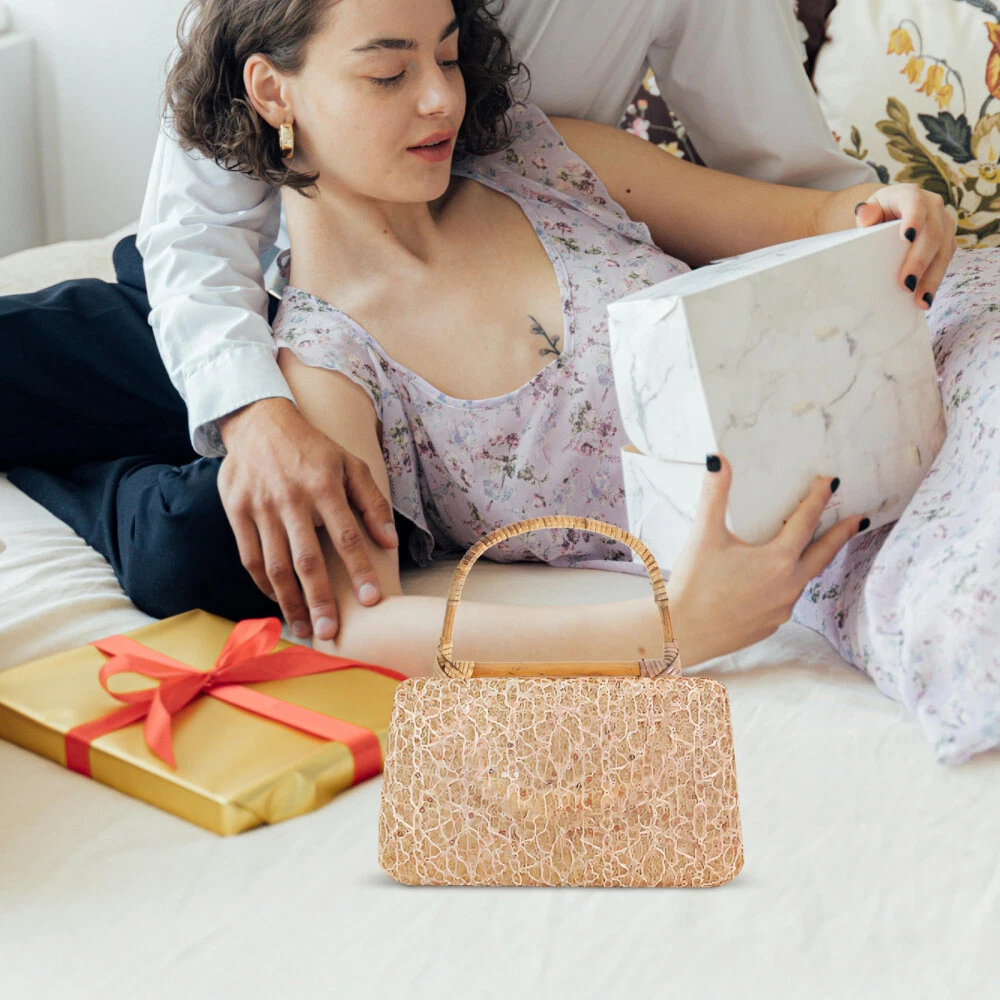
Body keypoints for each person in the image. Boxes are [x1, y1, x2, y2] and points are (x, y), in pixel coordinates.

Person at [125, 0, 964, 693]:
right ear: (273, 94)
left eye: (448, 59)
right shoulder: (326, 359)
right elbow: (357, 622)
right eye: (389, 75)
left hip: (898, 403)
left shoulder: (542, 155)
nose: (440, 100)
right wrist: (670, 628)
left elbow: (806, 214)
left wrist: (885, 211)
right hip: (838, 536)